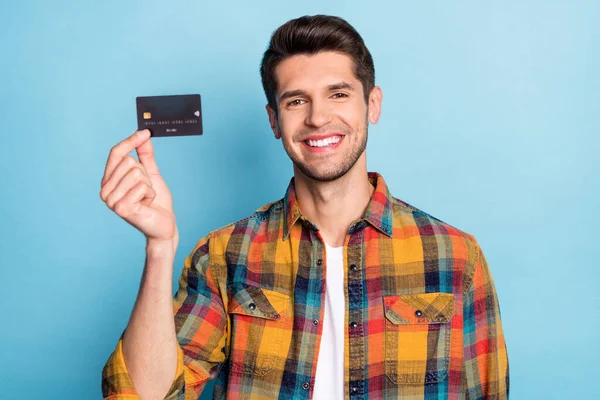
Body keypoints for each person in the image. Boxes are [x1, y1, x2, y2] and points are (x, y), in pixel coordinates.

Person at [100, 14, 509, 400]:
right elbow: (145, 395)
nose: (318, 117)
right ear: (274, 121)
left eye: (338, 94)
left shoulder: (456, 257)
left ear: (373, 104)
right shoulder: (223, 256)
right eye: (296, 101)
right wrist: (160, 246)